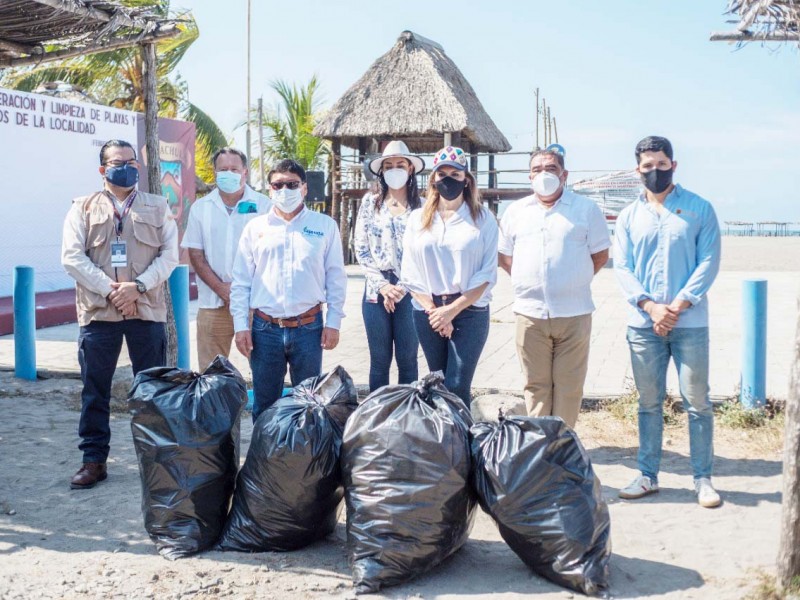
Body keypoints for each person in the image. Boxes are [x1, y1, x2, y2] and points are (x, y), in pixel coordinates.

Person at [61, 139, 178, 489]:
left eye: (130, 161)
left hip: (145, 310)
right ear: (103, 169)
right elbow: (71, 257)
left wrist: (137, 287)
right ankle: (94, 461)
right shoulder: (82, 207)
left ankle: (155, 462)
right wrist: (112, 290)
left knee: (151, 390)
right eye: (116, 162)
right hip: (100, 312)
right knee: (95, 390)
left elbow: (170, 255)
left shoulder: (158, 206)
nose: (125, 167)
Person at [614, 135, 722, 508]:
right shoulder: (628, 216)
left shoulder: (699, 208)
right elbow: (623, 268)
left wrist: (675, 305)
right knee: (648, 402)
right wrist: (650, 307)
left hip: (690, 323)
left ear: (673, 165)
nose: (655, 171)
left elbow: (708, 262)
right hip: (644, 325)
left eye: (662, 165)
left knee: (697, 401)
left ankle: (702, 478)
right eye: (648, 166)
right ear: (638, 170)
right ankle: (647, 474)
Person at [498, 148, 610, 428]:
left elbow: (600, 255)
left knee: (569, 388)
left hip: (574, 314)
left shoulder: (586, 210)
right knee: (535, 387)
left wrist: (571, 281)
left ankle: (562, 447)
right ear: (529, 176)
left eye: (550, 168)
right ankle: (540, 446)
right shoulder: (516, 212)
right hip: (529, 315)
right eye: (537, 170)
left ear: (564, 174)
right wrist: (530, 280)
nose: (543, 174)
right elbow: (505, 256)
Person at [230, 159, 347, 422]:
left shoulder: (325, 226)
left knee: (308, 406)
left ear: (304, 188)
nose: (285, 190)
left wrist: (334, 323)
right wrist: (240, 326)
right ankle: (266, 462)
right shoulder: (255, 228)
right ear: (270, 189)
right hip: (264, 330)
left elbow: (336, 278)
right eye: (278, 184)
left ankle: (305, 461)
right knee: (264, 406)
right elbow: (241, 282)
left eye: (292, 184)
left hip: (309, 328)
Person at [401, 145, 498, 405]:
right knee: (437, 382)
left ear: (466, 180)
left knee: (457, 385)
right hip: (427, 311)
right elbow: (410, 272)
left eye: (455, 175)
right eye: (442, 174)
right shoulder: (417, 219)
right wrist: (436, 312)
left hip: (469, 310)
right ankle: (441, 441)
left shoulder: (483, 219)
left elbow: (487, 273)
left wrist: (452, 311)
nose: (448, 180)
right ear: (433, 178)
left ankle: (462, 443)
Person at [181, 147, 270, 370]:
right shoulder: (200, 208)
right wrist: (222, 288)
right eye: (223, 169)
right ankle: (215, 407)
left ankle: (264, 406)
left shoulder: (264, 206)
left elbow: (270, 255)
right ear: (215, 173)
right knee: (211, 373)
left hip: (256, 305)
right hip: (213, 303)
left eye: (234, 169)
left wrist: (241, 291)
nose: (228, 173)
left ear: (245, 172)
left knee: (264, 369)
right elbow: (196, 254)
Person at [354, 141, 424, 391]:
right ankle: (377, 415)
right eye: (389, 165)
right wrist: (383, 286)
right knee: (379, 361)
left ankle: (408, 414)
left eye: (400, 165)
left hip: (411, 291)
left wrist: (401, 287)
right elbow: (361, 248)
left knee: (408, 360)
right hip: (376, 290)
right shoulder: (369, 204)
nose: (395, 170)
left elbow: (424, 253)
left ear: (410, 169)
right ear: (381, 171)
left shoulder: (423, 207)